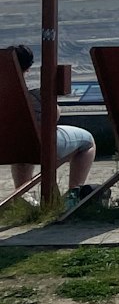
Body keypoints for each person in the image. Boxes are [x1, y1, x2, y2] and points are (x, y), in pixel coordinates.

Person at [11, 45, 97, 209]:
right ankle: (74, 193)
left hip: (10, 146)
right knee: (87, 141)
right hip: (42, 146)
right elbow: (53, 118)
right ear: (28, 68)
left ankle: (21, 194)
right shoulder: (35, 96)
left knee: (21, 142)